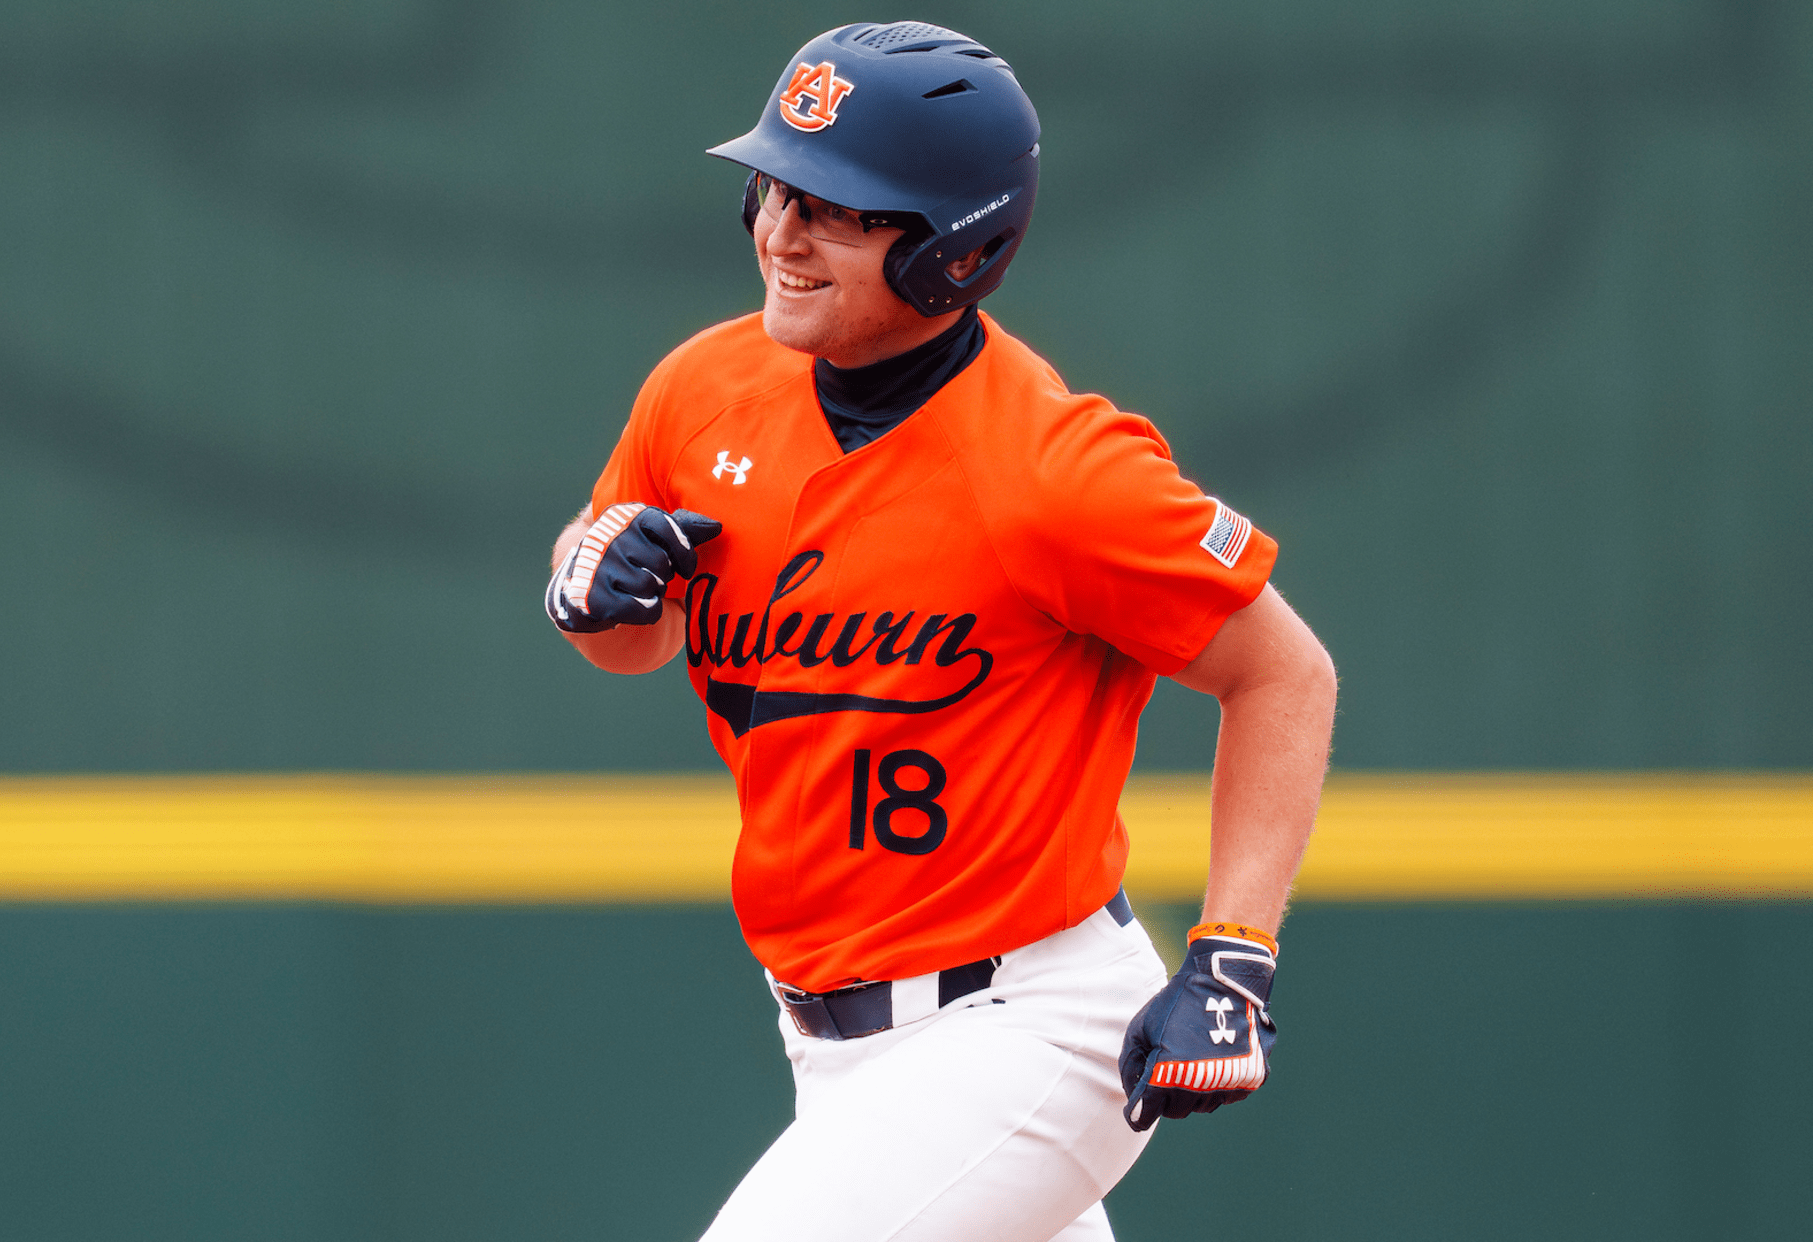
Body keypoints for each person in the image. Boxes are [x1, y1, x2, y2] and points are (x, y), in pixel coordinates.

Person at [543, 22, 1336, 1242]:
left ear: (953, 249)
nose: (783, 234)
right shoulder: (702, 393)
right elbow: (631, 635)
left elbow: (1283, 673)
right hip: (831, 1047)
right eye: (775, 189)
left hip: (1032, 1027)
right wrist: (586, 578)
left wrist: (1233, 956)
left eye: (839, 211)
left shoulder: (1056, 471)